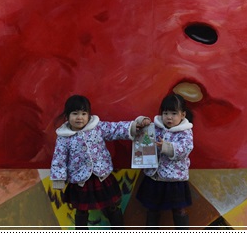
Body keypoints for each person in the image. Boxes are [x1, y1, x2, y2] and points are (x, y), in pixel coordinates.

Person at [50, 94, 150, 230]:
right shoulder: (64, 137)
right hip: (80, 180)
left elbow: (115, 129)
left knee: (112, 205)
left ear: (89, 116)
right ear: (67, 117)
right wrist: (58, 179)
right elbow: (59, 158)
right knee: (81, 210)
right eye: (75, 114)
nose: (79, 117)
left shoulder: (97, 128)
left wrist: (134, 126)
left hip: (101, 177)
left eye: (84, 113)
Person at [136, 93, 194, 229]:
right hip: (155, 178)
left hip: (175, 180)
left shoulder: (185, 132)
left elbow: (185, 148)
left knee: (179, 210)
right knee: (152, 209)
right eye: (165, 112)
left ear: (183, 115)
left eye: (174, 113)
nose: (169, 117)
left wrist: (166, 147)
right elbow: (142, 129)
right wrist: (142, 121)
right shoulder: (155, 127)